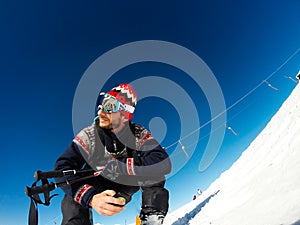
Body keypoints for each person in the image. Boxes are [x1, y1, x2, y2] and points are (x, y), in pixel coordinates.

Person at [54, 84, 172, 225]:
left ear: (124, 115)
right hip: (100, 186)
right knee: (71, 195)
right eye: (100, 106)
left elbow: (162, 161)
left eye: (109, 106)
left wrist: (122, 166)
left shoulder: (137, 133)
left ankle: (152, 219)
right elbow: (62, 168)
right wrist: (91, 198)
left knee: (154, 171)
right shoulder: (89, 135)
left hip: (129, 181)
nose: (100, 112)